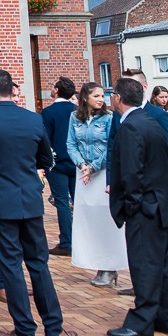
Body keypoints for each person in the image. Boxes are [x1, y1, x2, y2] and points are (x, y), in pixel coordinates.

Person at [0, 69, 78, 336]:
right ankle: (54, 329)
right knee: (39, 264)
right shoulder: (33, 119)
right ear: (13, 90)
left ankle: (24, 331)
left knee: (11, 265)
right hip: (30, 199)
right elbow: (46, 158)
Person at [106, 76, 168, 336]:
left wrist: (132, 204)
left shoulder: (132, 127)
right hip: (160, 202)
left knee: (144, 265)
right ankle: (164, 318)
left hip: (145, 207)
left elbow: (131, 171)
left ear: (118, 98)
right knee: (161, 265)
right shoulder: (152, 121)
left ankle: (141, 323)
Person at [66, 82, 127, 287]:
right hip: (83, 174)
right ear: (85, 98)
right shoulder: (75, 117)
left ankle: (109, 266)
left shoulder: (109, 118)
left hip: (102, 174)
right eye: (96, 96)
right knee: (88, 220)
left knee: (105, 220)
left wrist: (92, 167)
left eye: (103, 95)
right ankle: (96, 261)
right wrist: (81, 164)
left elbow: (111, 147)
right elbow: (70, 144)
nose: (101, 99)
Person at [42, 77, 78, 257]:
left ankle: (66, 242)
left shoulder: (49, 112)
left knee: (62, 202)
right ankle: (81, 239)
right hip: (77, 163)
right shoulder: (77, 110)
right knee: (78, 202)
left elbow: (45, 140)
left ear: (56, 90)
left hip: (57, 163)